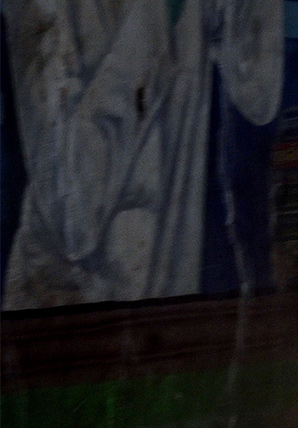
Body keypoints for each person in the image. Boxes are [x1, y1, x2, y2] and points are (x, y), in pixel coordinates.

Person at [2, 0, 282, 308]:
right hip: (68, 322)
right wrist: (155, 14)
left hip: (168, 309)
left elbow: (258, 94)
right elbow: (73, 216)